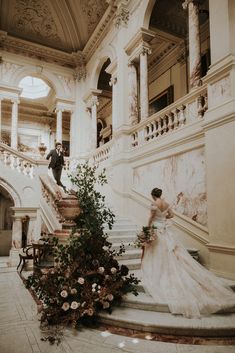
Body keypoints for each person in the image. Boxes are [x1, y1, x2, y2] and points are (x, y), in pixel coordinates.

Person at [141, 187, 235, 318]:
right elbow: (171, 215)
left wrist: (146, 229)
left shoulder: (153, 204)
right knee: (171, 253)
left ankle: (160, 274)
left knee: (159, 253)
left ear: (152, 195)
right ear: (160, 194)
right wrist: (164, 218)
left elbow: (151, 218)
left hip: (157, 230)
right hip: (166, 230)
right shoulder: (166, 203)